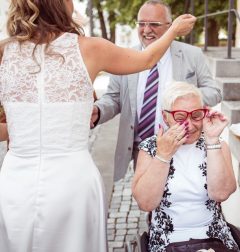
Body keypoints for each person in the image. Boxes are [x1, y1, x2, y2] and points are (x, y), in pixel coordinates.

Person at [0, 0, 195, 251]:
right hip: (72, 182)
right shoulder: (90, 49)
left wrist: (23, 129)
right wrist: (173, 29)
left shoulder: (4, 52)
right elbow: (147, 59)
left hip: (15, 184)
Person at [91, 0, 222, 181]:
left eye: (154, 24)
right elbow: (113, 98)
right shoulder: (125, 57)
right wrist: (97, 111)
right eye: (142, 24)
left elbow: (214, 91)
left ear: (170, 26)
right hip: (142, 149)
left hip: (182, 146)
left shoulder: (192, 55)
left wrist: (187, 99)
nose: (146, 30)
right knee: (147, 201)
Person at [132, 82, 238, 251]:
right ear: (165, 116)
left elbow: (221, 193)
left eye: (196, 115)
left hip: (214, 236)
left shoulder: (217, 144)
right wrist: (163, 156)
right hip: (166, 240)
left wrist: (211, 141)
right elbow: (145, 203)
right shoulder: (150, 147)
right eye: (180, 117)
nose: (189, 124)